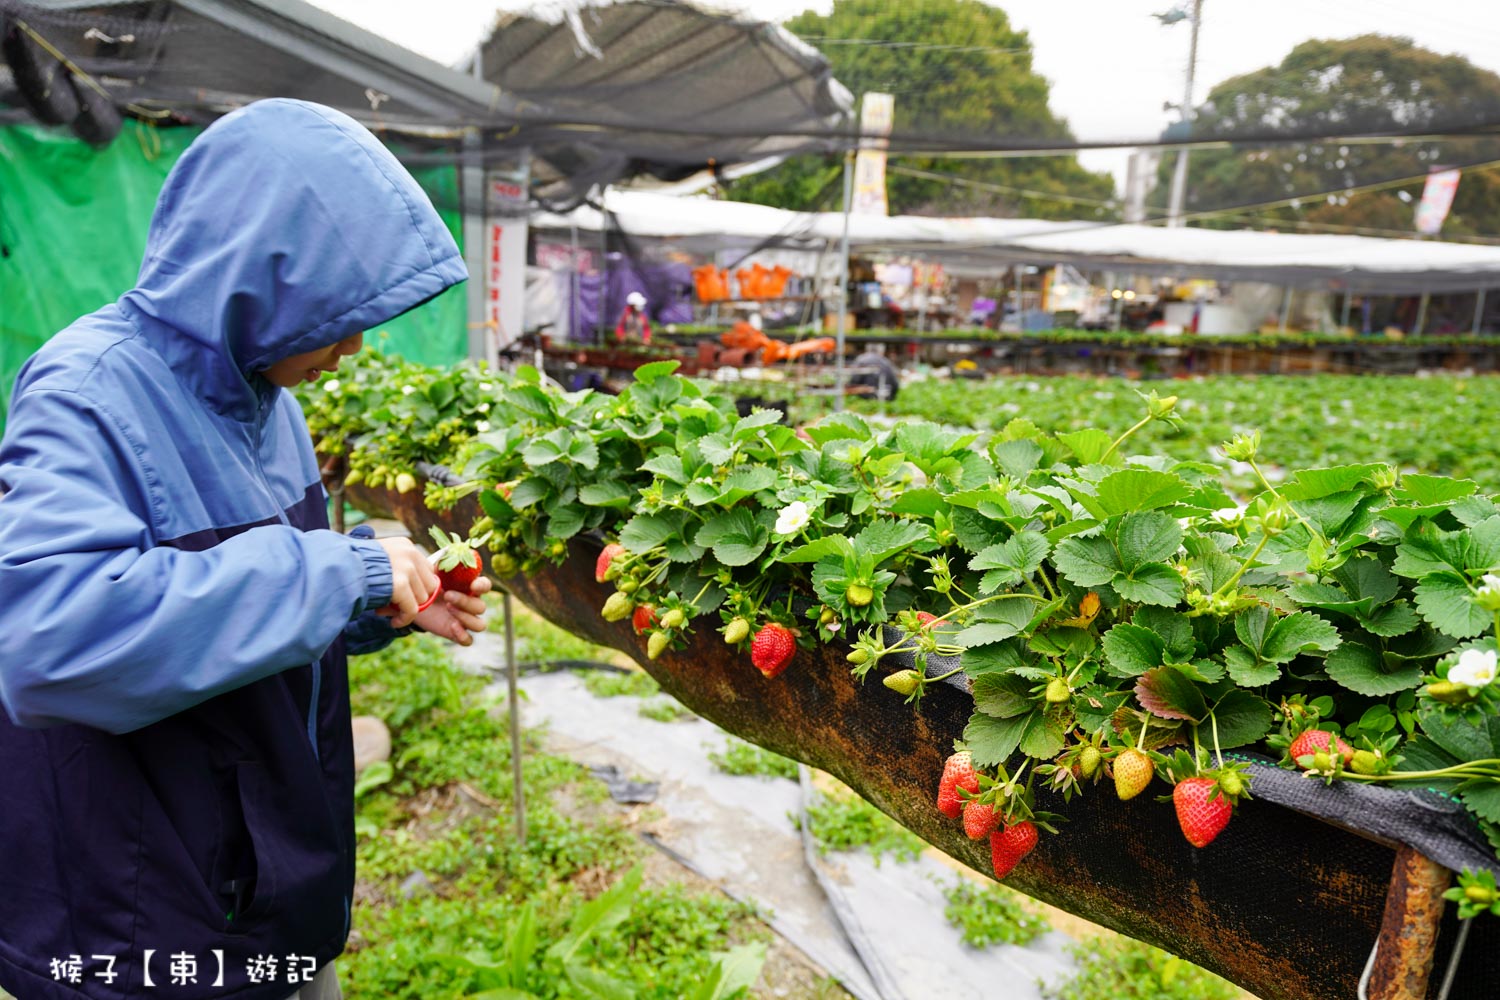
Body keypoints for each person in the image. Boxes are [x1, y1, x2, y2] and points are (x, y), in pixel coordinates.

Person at [0, 99, 488, 1000]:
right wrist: (342, 570)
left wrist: (374, 607)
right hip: (140, 921)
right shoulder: (85, 395)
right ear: (252, 278)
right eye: (333, 313)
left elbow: (237, 623)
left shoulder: (276, 407)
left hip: (264, 888)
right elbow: (52, 644)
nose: (352, 344)